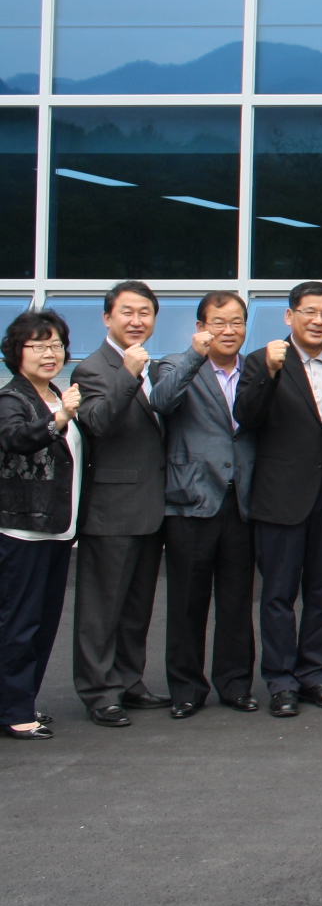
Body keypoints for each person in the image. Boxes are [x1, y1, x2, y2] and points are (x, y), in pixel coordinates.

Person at [233, 282, 322, 717]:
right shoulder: (261, 360)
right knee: (279, 596)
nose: (318, 320)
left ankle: (316, 675)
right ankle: (281, 682)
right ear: (289, 316)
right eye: (308, 312)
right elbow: (246, 416)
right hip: (281, 498)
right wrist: (269, 370)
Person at [148, 291, 256, 718]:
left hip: (241, 500)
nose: (229, 330)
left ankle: (235, 685)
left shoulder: (254, 370)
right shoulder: (175, 364)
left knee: (237, 601)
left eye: (237, 322)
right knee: (187, 602)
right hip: (191, 499)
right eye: (219, 322)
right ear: (200, 327)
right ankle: (186, 689)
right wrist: (196, 356)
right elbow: (161, 401)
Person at [70, 281, 169, 727]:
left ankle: (129, 681)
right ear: (107, 317)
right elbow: (98, 422)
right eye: (127, 312)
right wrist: (128, 375)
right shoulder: (93, 369)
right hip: (111, 509)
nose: (136, 320)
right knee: (101, 609)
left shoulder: (155, 367)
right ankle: (99, 692)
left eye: (145, 312)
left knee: (136, 607)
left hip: (150, 507)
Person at [0, 310, 82, 740]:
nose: (50, 354)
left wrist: (62, 411)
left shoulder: (56, 394)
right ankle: (13, 711)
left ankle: (22, 701)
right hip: (23, 529)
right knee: (19, 623)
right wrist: (59, 419)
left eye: (56, 345)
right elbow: (16, 439)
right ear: (18, 352)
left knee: (45, 622)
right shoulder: (11, 398)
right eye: (39, 346)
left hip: (57, 529)